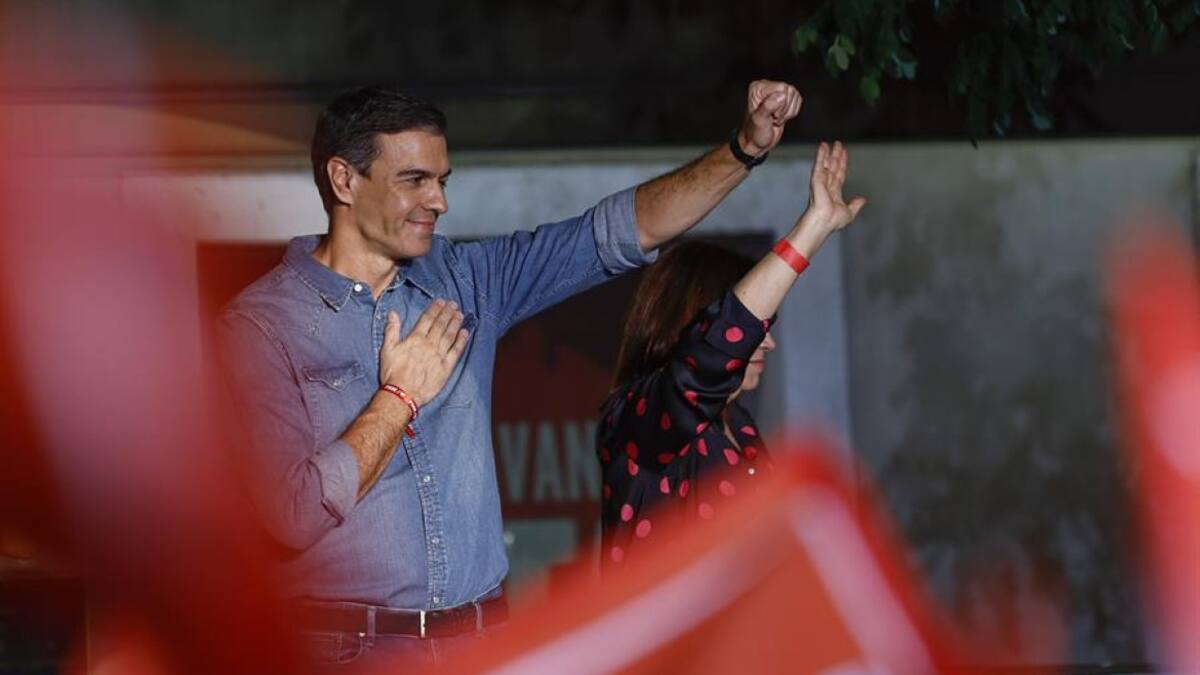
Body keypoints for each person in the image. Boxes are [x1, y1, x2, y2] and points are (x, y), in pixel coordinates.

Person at [217, 80, 802, 669]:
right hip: (349, 651)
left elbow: (623, 231)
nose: (439, 201)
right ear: (344, 179)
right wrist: (399, 396)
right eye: (414, 180)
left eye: (442, 181)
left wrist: (743, 150)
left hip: (481, 640)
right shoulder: (262, 327)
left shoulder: (469, 280)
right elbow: (290, 515)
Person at [597, 141, 866, 568]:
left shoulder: (737, 424)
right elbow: (709, 358)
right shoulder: (637, 418)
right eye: (757, 328)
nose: (768, 343)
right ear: (692, 323)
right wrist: (811, 230)